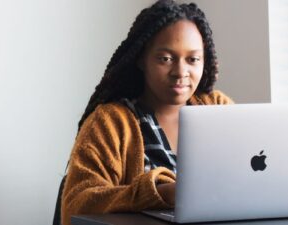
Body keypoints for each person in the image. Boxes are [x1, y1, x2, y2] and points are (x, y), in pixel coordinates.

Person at [60, 0, 234, 224]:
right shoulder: (110, 122)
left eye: (193, 59)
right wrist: (160, 193)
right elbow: (76, 205)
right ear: (142, 59)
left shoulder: (218, 109)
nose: (181, 72)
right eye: (166, 59)